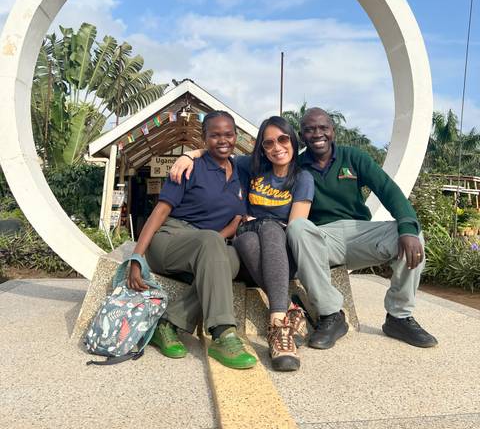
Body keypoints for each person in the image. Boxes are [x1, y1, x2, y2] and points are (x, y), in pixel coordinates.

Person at [286, 107, 438, 350]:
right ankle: (331, 316)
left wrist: (407, 228)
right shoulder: (295, 166)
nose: (317, 134)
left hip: (360, 233)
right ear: (302, 135)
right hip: (323, 237)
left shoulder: (354, 158)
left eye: (323, 128)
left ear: (332, 131)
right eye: (309, 129)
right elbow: (254, 166)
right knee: (298, 228)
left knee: (412, 233)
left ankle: (399, 317)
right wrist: (201, 154)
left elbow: (389, 191)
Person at [171, 116, 315, 372]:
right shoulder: (254, 167)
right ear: (262, 148)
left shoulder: (302, 178)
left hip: (281, 253)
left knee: (269, 227)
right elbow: (219, 149)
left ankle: (278, 325)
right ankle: (287, 311)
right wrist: (189, 155)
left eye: (282, 139)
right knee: (246, 237)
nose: (276, 147)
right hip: (249, 252)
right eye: (268, 143)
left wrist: (263, 222)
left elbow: (295, 227)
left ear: (293, 141)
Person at [127, 110, 257, 370]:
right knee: (214, 246)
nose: (223, 140)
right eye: (215, 135)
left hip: (209, 243)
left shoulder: (241, 170)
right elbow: (160, 211)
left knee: (231, 260)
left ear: (236, 136)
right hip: (170, 239)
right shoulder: (190, 168)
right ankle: (223, 333)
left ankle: (167, 323)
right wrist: (137, 256)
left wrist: (229, 230)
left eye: (229, 134)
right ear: (203, 138)